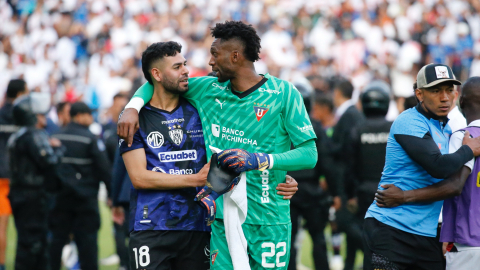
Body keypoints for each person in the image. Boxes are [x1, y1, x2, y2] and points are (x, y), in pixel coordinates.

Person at [118, 21, 317, 270]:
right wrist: (133, 106)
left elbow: (309, 155)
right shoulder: (208, 89)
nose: (209, 62)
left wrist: (263, 161)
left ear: (234, 56)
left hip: (268, 217)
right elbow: (157, 80)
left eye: (214, 54)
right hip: (221, 219)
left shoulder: (284, 93)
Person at [363, 64, 480, 270]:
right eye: (436, 91)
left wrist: (405, 196)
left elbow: (452, 184)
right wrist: (468, 150)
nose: (445, 97)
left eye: (449, 90)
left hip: (426, 235)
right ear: (419, 94)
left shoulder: (447, 128)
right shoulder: (409, 121)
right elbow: (438, 167)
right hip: (391, 229)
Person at [49, 102, 111, 270]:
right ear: (79, 116)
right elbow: (103, 169)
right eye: (89, 114)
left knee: (56, 242)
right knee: (88, 245)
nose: (91, 118)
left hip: (60, 199)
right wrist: (111, 195)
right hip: (85, 200)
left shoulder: (56, 136)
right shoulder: (89, 138)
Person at [8, 92, 63, 270]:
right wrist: (59, 149)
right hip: (33, 196)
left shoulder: (16, 136)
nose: (44, 117)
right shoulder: (34, 135)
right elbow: (49, 161)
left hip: (19, 195)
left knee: (26, 242)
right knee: (35, 244)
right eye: (40, 114)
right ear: (32, 116)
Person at [344, 81, 393, 268]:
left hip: (365, 193)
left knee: (368, 239)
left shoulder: (357, 130)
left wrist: (351, 195)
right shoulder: (394, 129)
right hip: (392, 192)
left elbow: (349, 168)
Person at [287, 83, 333, 270]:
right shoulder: (316, 127)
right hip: (312, 189)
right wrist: (330, 187)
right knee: (318, 238)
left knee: (288, 239)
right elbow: (326, 159)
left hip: (287, 189)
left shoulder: (281, 125)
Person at [330, 78, 365, 270]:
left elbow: (345, 150)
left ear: (337, 93)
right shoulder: (351, 114)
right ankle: (349, 265)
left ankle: (374, 255)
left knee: (345, 222)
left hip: (347, 181)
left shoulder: (349, 115)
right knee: (350, 224)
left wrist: (326, 147)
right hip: (349, 180)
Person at [0, 79, 28, 270]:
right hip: (20, 178)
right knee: (25, 226)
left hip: (1, 176)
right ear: (19, 94)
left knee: (2, 226)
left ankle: (1, 264)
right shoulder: (24, 116)